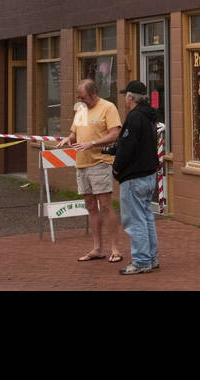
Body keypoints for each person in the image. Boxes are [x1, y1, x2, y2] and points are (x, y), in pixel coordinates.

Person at [58, 78, 125, 264]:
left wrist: (93, 143)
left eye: (83, 97)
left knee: (105, 205)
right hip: (82, 163)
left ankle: (115, 248)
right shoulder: (80, 109)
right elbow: (75, 132)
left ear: (94, 94)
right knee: (90, 206)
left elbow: (115, 133)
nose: (81, 100)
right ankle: (97, 248)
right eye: (79, 97)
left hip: (100, 162)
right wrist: (68, 139)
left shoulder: (108, 108)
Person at [112, 80, 161, 275]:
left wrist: (116, 169)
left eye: (126, 95)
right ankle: (151, 257)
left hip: (134, 177)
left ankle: (141, 261)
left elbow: (127, 147)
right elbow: (138, 143)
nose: (125, 98)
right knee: (146, 217)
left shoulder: (134, 118)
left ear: (131, 97)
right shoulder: (149, 117)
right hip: (149, 174)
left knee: (135, 220)